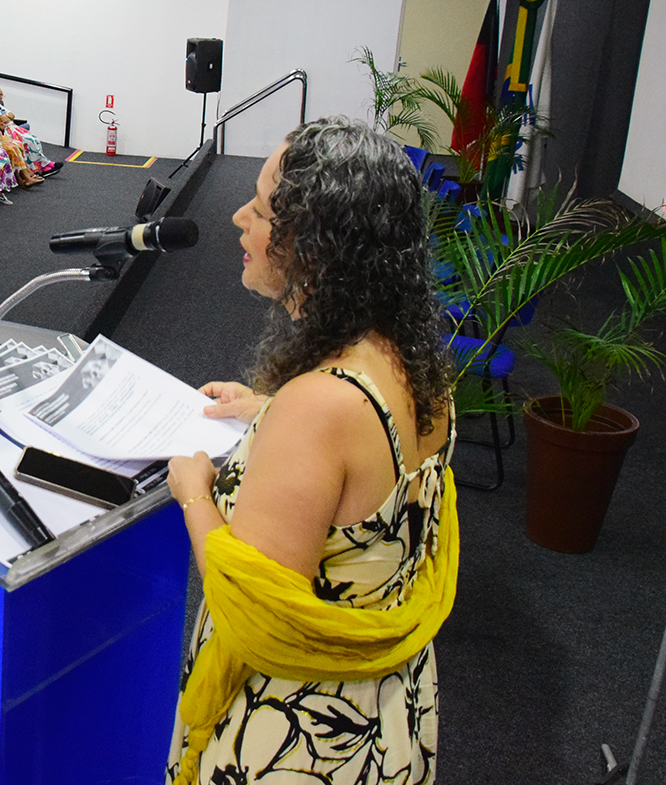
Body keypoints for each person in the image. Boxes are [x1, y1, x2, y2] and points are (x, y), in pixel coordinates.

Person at [163, 118, 457, 785]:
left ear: (316, 248)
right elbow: (373, 471)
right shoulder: (412, 363)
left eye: (262, 209)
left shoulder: (320, 405)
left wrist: (194, 492)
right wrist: (266, 413)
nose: (240, 218)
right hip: (385, 712)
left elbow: (255, 610)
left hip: (300, 735)